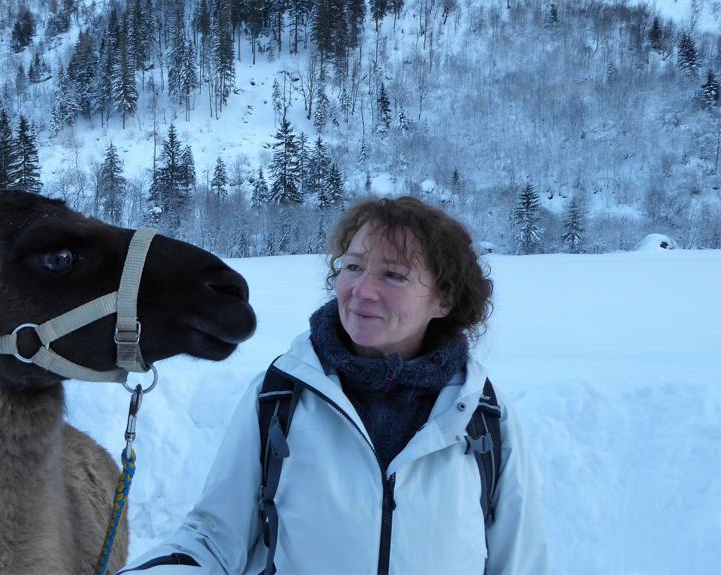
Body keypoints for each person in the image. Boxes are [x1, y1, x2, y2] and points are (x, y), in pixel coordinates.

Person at [119, 197, 549, 574]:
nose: (361, 290)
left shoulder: (483, 415)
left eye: (393, 275)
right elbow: (214, 540)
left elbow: (520, 563)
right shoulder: (281, 397)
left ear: (445, 299)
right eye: (354, 266)